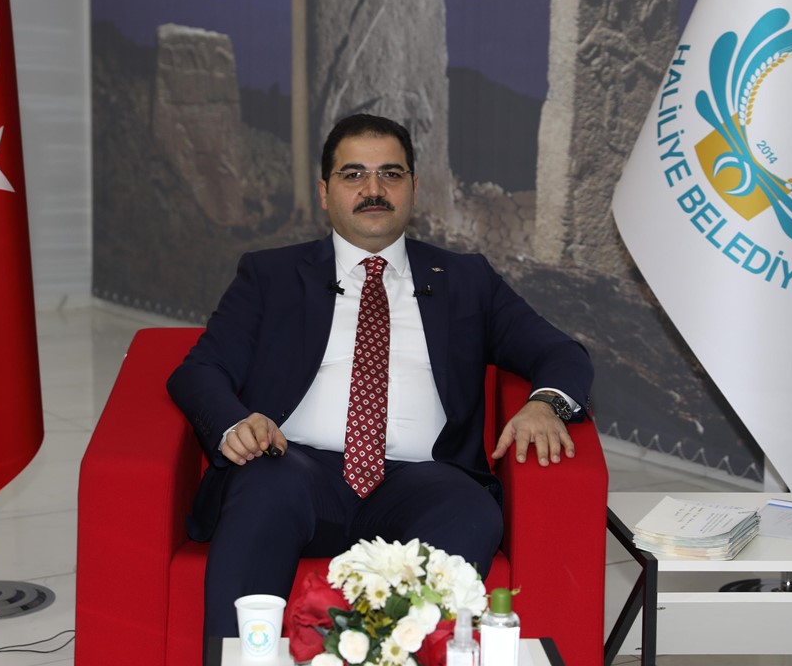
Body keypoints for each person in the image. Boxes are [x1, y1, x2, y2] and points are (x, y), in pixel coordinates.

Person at [167, 113, 593, 651]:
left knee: (469, 509)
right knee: (264, 483)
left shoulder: (466, 280)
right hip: (294, 469)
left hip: (422, 482)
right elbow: (200, 370)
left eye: (390, 174)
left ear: (414, 187)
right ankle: (241, 659)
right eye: (354, 175)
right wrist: (237, 424)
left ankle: (402, 657)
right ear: (325, 192)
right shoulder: (270, 275)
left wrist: (547, 404)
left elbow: (560, 352)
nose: (373, 189)